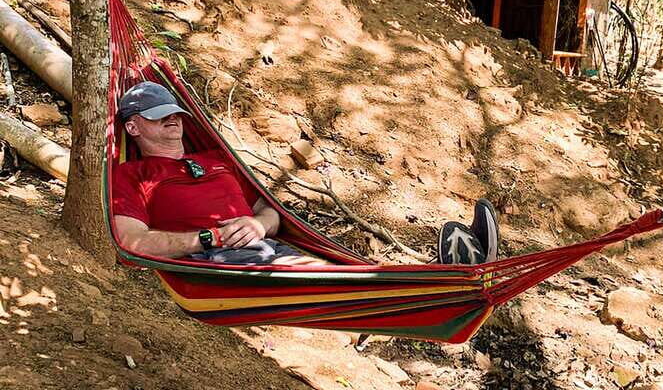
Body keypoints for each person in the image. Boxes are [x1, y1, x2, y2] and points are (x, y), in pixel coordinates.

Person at [112, 82, 499, 267]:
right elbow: (134, 241)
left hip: (267, 248)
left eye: (177, 115)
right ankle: (445, 280)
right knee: (334, 280)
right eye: (161, 118)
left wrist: (259, 224)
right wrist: (206, 238)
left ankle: (447, 279)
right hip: (222, 262)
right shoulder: (131, 175)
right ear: (133, 128)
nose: (174, 123)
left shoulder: (218, 157)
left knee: (339, 272)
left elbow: (270, 207)